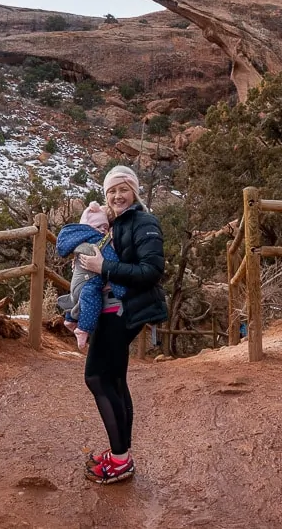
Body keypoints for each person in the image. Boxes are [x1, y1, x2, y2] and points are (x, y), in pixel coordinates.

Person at [76, 165, 167, 484]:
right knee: (114, 380)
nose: (117, 195)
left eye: (123, 189)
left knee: (97, 377)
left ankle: (120, 461)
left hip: (123, 312)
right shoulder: (116, 223)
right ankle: (120, 453)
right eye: (111, 191)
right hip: (113, 310)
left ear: (135, 192)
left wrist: (106, 267)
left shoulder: (144, 222)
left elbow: (151, 271)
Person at [55, 202, 126, 350]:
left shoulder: (78, 241)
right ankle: (83, 329)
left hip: (77, 282)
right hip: (90, 282)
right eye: (103, 228)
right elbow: (112, 262)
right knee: (91, 299)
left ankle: (70, 319)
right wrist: (121, 291)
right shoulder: (97, 242)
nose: (105, 232)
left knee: (78, 298)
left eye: (106, 228)